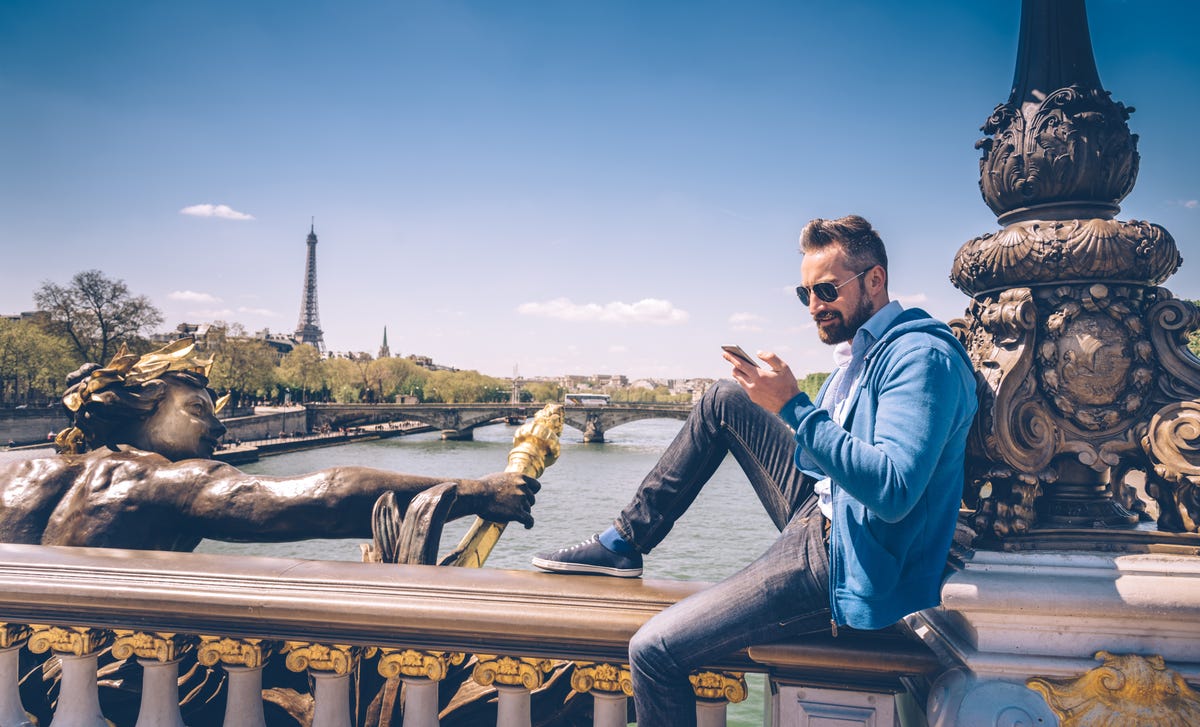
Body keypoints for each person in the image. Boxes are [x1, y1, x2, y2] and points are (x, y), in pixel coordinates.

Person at [532, 215, 977, 726]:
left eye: (827, 289)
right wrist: (780, 407)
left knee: (654, 650)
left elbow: (894, 490)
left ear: (874, 280)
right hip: (829, 509)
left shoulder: (919, 358)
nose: (815, 306)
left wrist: (794, 408)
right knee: (724, 398)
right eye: (804, 292)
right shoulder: (868, 353)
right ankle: (623, 543)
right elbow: (832, 459)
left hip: (843, 554)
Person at [0, 339, 539, 551]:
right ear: (142, 404)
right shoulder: (162, 479)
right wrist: (476, 490)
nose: (218, 430)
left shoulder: (16, 474)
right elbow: (329, 498)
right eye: (198, 411)